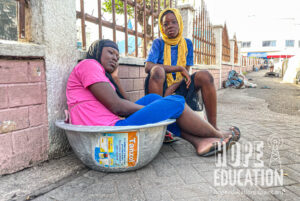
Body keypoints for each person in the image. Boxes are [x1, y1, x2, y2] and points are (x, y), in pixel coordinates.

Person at [66, 39, 240, 157]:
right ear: (96, 51)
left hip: (111, 124)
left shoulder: (100, 73)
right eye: (110, 53)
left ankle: (199, 142)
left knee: (152, 99)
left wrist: (154, 109)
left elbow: (121, 105)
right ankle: (217, 134)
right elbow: (117, 107)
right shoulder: (89, 64)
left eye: (117, 57)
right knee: (176, 102)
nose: (115, 58)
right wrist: (157, 113)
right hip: (109, 131)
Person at [144, 8, 222, 137]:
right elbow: (148, 66)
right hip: (159, 85)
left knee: (205, 76)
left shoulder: (187, 44)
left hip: (180, 84)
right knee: (157, 70)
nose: (170, 26)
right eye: (166, 24)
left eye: (174, 22)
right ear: (162, 28)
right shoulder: (158, 43)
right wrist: (178, 68)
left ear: (179, 23)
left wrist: (173, 87)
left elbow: (186, 72)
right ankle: (159, 129)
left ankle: (212, 128)